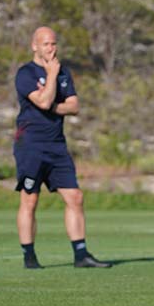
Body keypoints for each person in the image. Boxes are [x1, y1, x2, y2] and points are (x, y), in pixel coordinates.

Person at [13, 27, 112, 270]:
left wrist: (53, 102)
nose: (51, 48)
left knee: (75, 197)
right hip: (31, 145)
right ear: (34, 46)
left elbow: (74, 106)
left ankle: (81, 255)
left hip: (56, 145)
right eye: (46, 44)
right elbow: (44, 100)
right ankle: (29, 256)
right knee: (30, 200)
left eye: (54, 43)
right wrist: (52, 75)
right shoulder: (25, 73)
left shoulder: (63, 72)